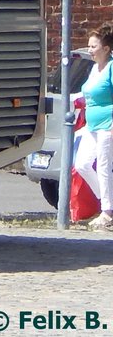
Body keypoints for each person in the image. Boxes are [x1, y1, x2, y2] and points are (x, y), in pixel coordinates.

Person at [74, 24, 113, 230]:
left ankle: (107, 212)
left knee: (105, 167)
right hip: (92, 125)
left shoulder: (111, 68)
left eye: (93, 46)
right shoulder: (93, 69)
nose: (89, 50)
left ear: (105, 49)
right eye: (89, 46)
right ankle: (108, 203)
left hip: (108, 124)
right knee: (81, 163)